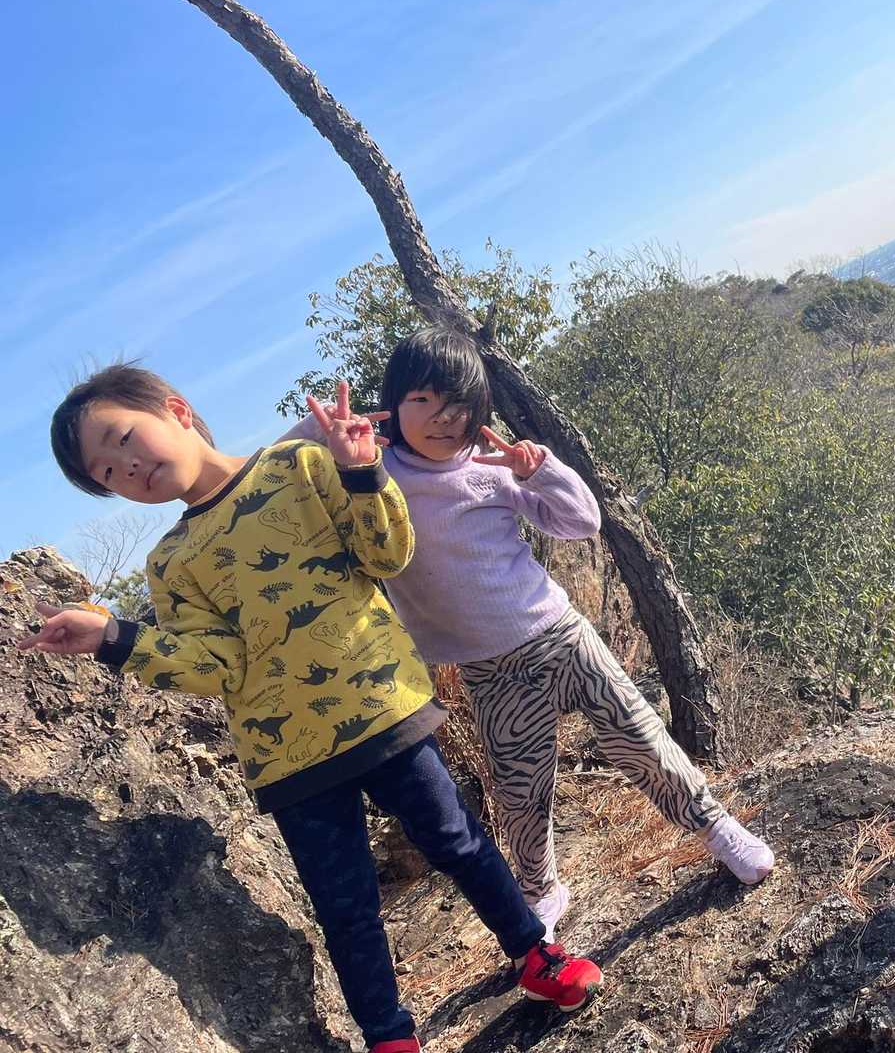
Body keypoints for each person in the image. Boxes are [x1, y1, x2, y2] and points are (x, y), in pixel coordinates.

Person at [23, 365, 603, 1053]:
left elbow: (387, 554)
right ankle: (390, 1038)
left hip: (383, 707)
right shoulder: (171, 563)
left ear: (175, 410)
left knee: (457, 839)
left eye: (123, 438)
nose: (126, 468)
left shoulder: (298, 465)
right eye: (106, 472)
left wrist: (361, 473)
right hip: (288, 757)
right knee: (346, 908)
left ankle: (536, 955)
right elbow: (215, 665)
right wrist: (114, 638)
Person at [281, 327, 773, 941]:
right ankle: (543, 888)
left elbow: (582, 522)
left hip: (559, 634)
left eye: (457, 404)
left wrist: (543, 472)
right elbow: (276, 480)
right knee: (520, 794)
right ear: (392, 404)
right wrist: (315, 432)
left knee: (641, 740)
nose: (442, 418)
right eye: (422, 401)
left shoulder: (492, 468)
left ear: (479, 409)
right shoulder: (374, 473)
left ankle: (718, 829)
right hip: (489, 670)